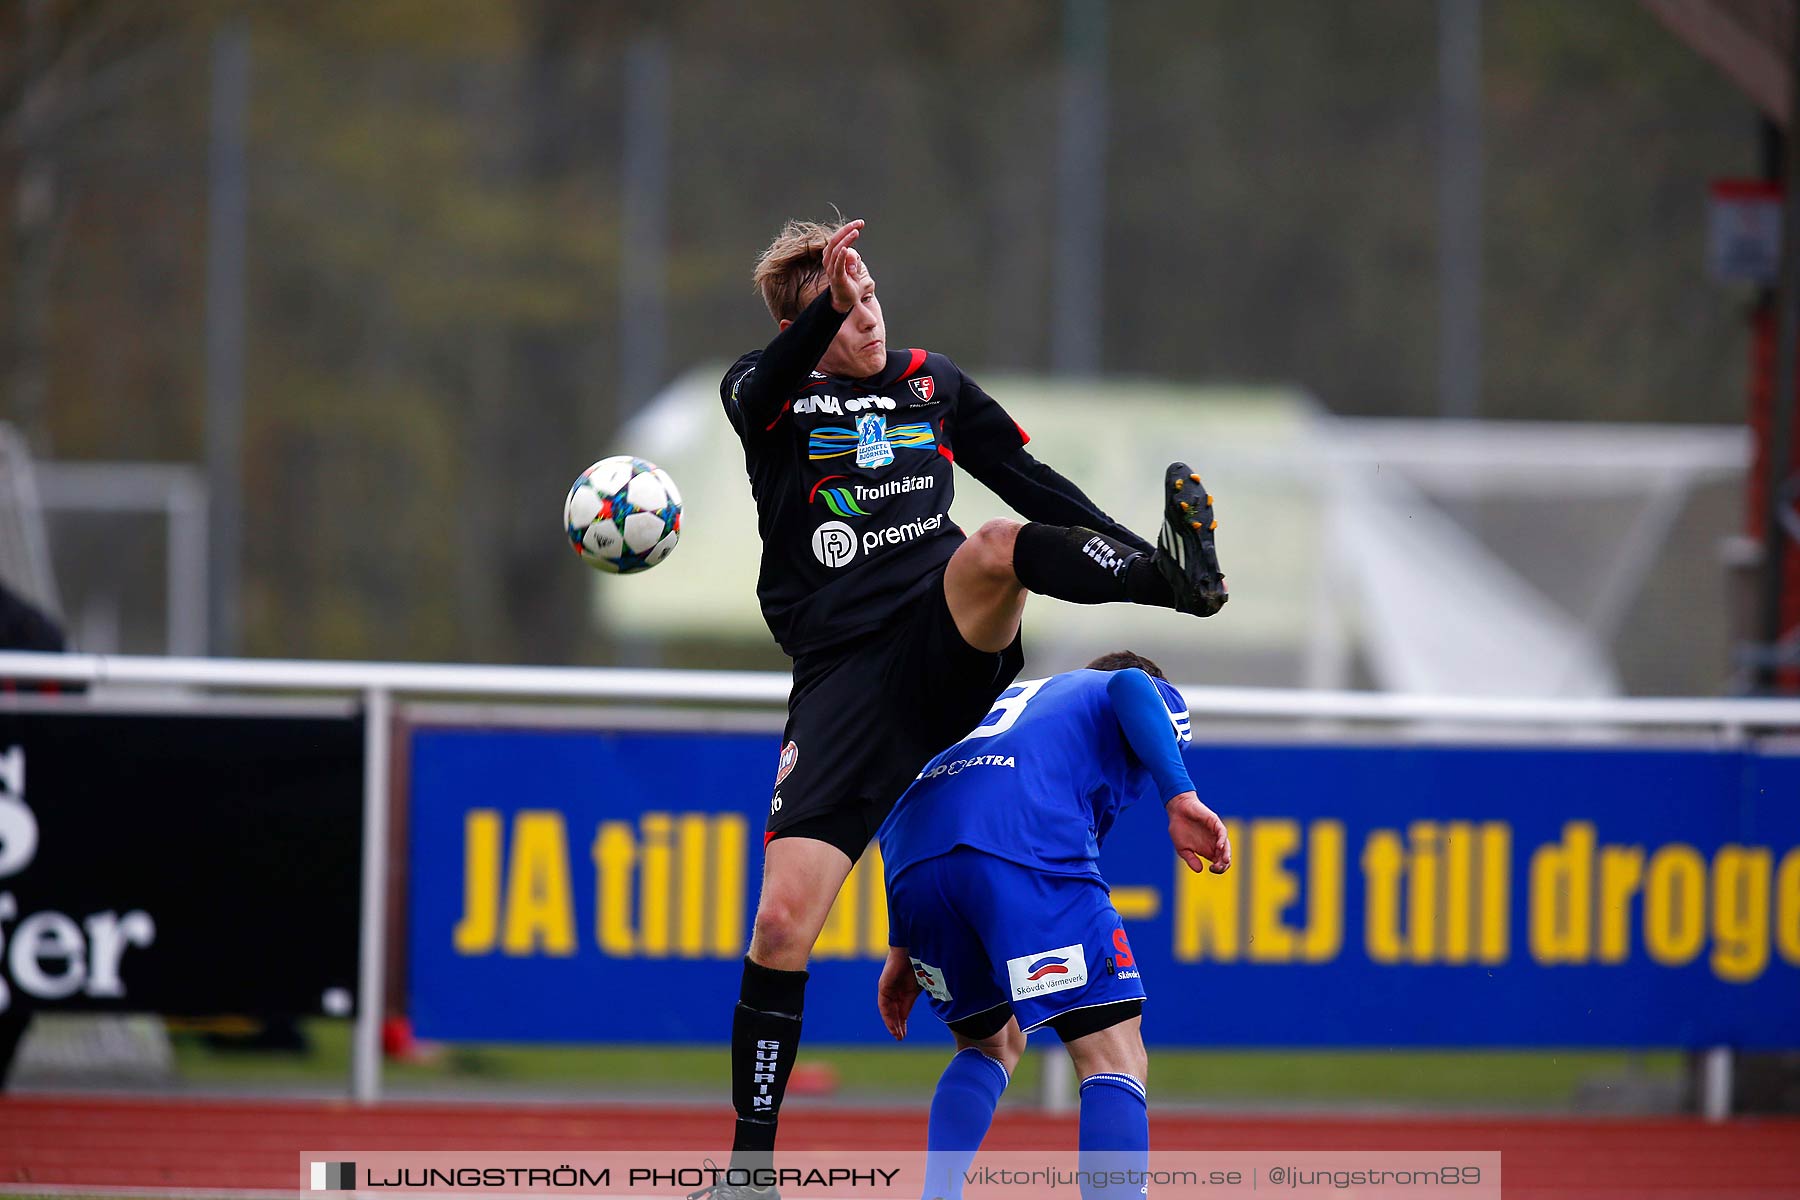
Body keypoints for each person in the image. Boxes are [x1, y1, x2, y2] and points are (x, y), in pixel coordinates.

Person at [697, 217, 1226, 1199]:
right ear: (803, 316)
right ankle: (748, 1170)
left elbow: (1033, 484)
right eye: (843, 303)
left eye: (871, 292)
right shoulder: (764, 395)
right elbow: (764, 385)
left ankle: (1175, 580)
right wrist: (823, 309)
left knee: (992, 539)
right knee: (779, 925)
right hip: (845, 683)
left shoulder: (931, 384)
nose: (867, 316)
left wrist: (1152, 561)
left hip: (947, 640)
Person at [874, 652, 1230, 1200]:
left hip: (912, 862)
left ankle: (938, 1195)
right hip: (1022, 845)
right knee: (1115, 1055)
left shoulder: (1005, 708)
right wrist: (1180, 794)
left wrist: (901, 942)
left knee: (990, 1045)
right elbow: (1134, 685)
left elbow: (916, 787)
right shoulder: (1115, 689)